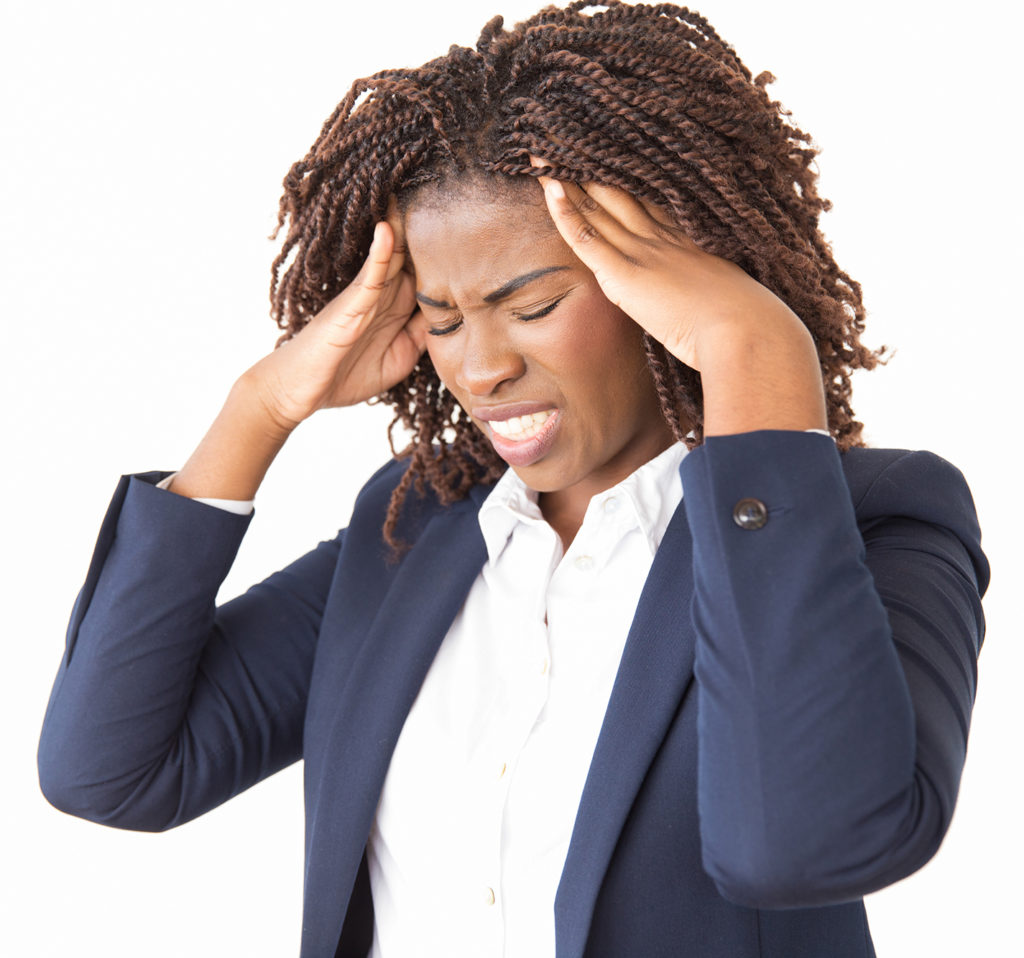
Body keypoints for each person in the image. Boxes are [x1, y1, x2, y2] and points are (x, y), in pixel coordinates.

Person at [37, 2, 988, 956]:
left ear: (673, 276)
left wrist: (759, 349)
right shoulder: (417, 529)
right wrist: (259, 411)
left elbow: (801, 846)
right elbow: (111, 768)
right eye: (439, 320)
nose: (477, 368)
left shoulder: (879, 524)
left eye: (531, 304)